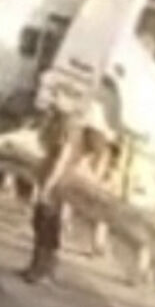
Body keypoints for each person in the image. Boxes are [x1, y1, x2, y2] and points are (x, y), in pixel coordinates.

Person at [21, 102, 109, 284]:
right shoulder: (83, 137)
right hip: (62, 182)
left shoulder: (73, 133)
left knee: (43, 223)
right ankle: (44, 267)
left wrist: (48, 185)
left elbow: (62, 160)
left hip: (56, 181)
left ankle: (39, 268)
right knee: (48, 223)